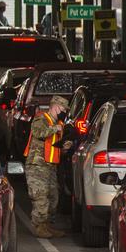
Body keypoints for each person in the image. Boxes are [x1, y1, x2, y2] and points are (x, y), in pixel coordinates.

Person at [24, 95, 71, 238]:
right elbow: (39, 133)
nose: (64, 112)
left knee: (53, 196)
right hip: (37, 165)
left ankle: (47, 225)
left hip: (50, 166)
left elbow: (53, 147)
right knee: (41, 196)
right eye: (63, 109)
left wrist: (65, 148)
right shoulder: (41, 119)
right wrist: (54, 128)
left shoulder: (59, 124)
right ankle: (39, 226)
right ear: (56, 107)